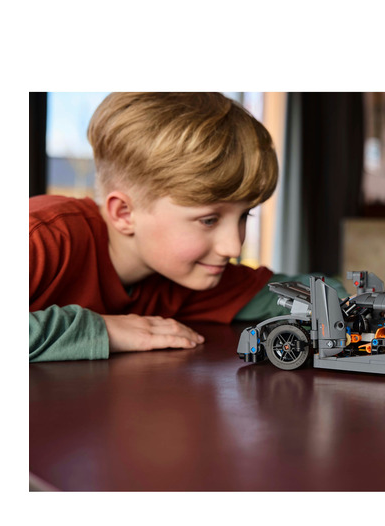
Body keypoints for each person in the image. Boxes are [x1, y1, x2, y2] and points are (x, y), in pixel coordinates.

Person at [30, 92, 345, 362]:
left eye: (244, 216)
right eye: (209, 220)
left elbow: (301, 291)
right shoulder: (42, 238)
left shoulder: (183, 275)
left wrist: (349, 308)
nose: (233, 247)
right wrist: (103, 330)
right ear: (124, 213)